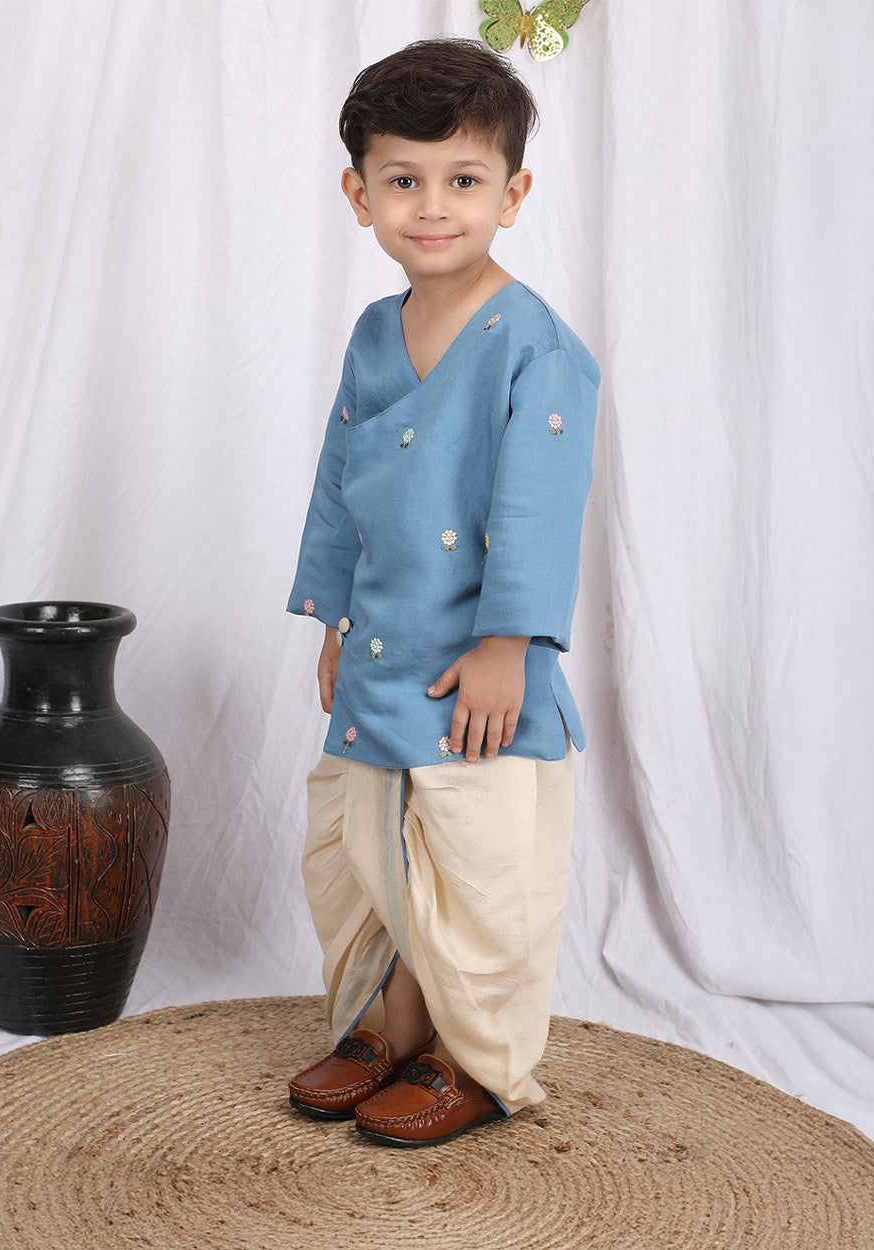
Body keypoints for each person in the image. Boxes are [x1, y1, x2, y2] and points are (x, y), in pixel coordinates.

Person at [284, 36, 600, 1148]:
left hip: (479, 669)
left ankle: (477, 1059)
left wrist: (511, 645)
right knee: (370, 851)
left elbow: (539, 506)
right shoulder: (376, 333)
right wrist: (333, 616)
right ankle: (394, 1019)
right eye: (403, 179)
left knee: (478, 867)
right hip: (383, 653)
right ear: (357, 193)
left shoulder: (536, 348)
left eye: (463, 179)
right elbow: (341, 480)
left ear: (512, 194)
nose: (432, 207)